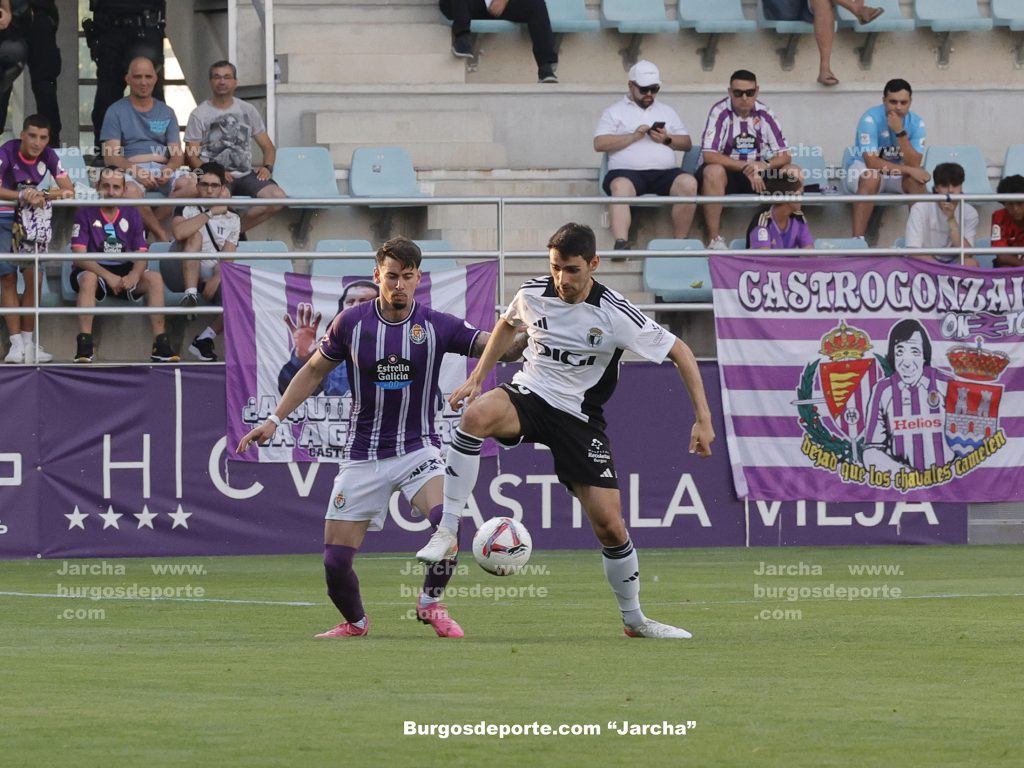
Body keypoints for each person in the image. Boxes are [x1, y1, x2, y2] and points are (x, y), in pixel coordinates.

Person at [416, 223, 715, 639]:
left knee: (610, 526)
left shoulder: (614, 312)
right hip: (531, 394)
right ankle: (448, 530)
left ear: (593, 264)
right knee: (475, 417)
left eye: (572, 269)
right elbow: (507, 324)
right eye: (556, 267)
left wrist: (703, 418)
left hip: (579, 417)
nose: (562, 279)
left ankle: (635, 620)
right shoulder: (532, 294)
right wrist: (478, 377)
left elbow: (680, 351)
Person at [236, 236, 526, 639]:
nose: (399, 284)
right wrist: (274, 419)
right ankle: (355, 623)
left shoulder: (438, 325)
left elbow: (499, 349)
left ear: (418, 277)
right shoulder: (351, 324)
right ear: (377, 276)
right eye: (392, 276)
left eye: (407, 276)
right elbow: (314, 371)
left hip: (418, 450)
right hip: (363, 456)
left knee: (447, 525)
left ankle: (430, 604)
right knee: (335, 562)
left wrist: (528, 333)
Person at [69, 166, 178, 363]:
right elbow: (79, 258)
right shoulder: (84, 212)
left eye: (116, 187)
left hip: (123, 269)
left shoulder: (132, 213)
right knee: (89, 277)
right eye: (106, 186)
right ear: (97, 187)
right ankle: (84, 345)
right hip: (92, 268)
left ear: (124, 189)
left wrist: (134, 275)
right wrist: (108, 276)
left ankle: (160, 344)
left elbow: (142, 253)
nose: (111, 192)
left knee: (154, 278)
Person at [593, 60, 696, 251]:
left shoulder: (667, 111)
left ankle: (681, 243)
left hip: (665, 173)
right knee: (619, 186)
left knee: (689, 183)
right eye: (644, 89)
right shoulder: (614, 111)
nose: (649, 94)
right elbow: (599, 144)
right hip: (627, 173)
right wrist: (633, 137)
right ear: (631, 85)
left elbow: (687, 143)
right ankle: (621, 243)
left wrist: (667, 139)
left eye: (654, 89)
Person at [0, 114, 73, 364]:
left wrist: (42, 194)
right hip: (3, 218)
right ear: (22, 135)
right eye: (32, 136)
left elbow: (69, 190)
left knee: (35, 278)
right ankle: (15, 345)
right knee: (8, 278)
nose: (37, 142)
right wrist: (23, 195)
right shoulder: (6, 151)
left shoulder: (49, 155)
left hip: (31, 222)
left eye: (42, 138)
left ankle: (29, 342)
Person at [697, 69, 796, 250]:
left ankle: (790, 235)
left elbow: (785, 155)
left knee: (793, 172)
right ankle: (714, 240)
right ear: (729, 92)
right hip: (728, 172)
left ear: (757, 91)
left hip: (758, 172)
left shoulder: (765, 113)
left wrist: (764, 165)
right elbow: (709, 155)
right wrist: (747, 167)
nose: (744, 98)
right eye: (738, 93)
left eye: (749, 93)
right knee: (713, 171)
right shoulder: (719, 111)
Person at [184, 60, 286, 233]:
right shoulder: (199, 114)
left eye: (227, 77)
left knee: (278, 198)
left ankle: (236, 232)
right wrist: (214, 173)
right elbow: (191, 155)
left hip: (246, 175)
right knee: (221, 200)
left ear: (235, 82)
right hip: (216, 177)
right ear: (210, 82)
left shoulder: (248, 110)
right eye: (217, 77)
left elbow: (268, 147)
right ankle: (228, 237)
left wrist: (267, 167)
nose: (222, 81)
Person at [100, 55, 192, 243]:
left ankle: (147, 227)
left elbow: (177, 155)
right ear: (128, 79)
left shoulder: (167, 112)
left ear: (155, 78)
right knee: (128, 191)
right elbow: (110, 156)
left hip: (162, 168)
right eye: (138, 77)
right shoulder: (115, 111)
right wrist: (136, 171)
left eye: (148, 77)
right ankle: (161, 234)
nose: (143, 82)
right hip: (131, 169)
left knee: (193, 184)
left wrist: (169, 169)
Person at [169, 162, 238, 361]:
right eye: (205, 184)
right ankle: (190, 293)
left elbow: (228, 255)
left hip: (210, 274)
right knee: (194, 234)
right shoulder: (185, 207)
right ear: (197, 186)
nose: (209, 190)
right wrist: (210, 213)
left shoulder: (233, 217)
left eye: (214, 185)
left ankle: (204, 338)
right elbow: (179, 233)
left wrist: (218, 276)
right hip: (180, 272)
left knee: (240, 295)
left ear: (222, 188)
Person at [845, 78, 930, 239]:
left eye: (903, 102)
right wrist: (909, 170)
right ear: (884, 100)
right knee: (871, 176)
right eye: (893, 102)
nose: (898, 107)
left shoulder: (917, 123)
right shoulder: (870, 119)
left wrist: (900, 132)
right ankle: (857, 242)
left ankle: (920, 242)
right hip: (864, 168)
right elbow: (871, 162)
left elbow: (914, 163)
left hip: (897, 172)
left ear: (910, 102)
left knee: (916, 182)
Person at [863, 319, 950, 472]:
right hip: (902, 483)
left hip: (947, 482)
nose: (907, 362)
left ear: (924, 355)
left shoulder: (945, 384)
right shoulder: (883, 390)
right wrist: (907, 476)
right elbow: (871, 452)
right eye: (900, 352)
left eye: (915, 351)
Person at [84, 0, 165, 152]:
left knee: (150, 94)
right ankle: (106, 151)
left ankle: (158, 147)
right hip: (110, 29)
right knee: (106, 96)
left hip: (145, 25)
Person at [277, 280, 379, 397]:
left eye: (364, 301)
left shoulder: (395, 342)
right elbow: (288, 391)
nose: (355, 306)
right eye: (350, 302)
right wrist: (302, 360)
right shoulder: (331, 348)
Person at [762, 0, 883, 86]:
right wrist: (857, 7)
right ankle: (856, 10)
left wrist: (858, 4)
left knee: (822, 2)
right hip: (782, 6)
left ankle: (825, 69)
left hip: (809, 6)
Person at [439, 0, 558, 83]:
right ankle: (462, 38)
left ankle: (545, 67)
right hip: (465, 4)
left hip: (499, 5)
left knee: (536, 4)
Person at [904, 162, 978, 267]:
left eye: (955, 185)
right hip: (927, 262)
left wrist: (951, 219)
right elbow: (913, 251)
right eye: (945, 186)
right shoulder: (920, 207)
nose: (950, 190)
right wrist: (940, 269)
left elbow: (967, 254)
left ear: (961, 186)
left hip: (955, 263)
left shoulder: (970, 212)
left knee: (971, 263)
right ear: (936, 188)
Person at [746, 171, 814, 252]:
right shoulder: (763, 220)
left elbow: (809, 252)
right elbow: (763, 257)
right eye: (800, 194)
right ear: (786, 196)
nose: (802, 199)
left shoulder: (799, 217)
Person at [991, 175, 1024, 267]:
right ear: (1004, 203)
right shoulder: (999, 216)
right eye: (1010, 204)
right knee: (1004, 267)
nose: (1015, 209)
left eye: (1020, 203)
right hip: (1009, 266)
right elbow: (1002, 256)